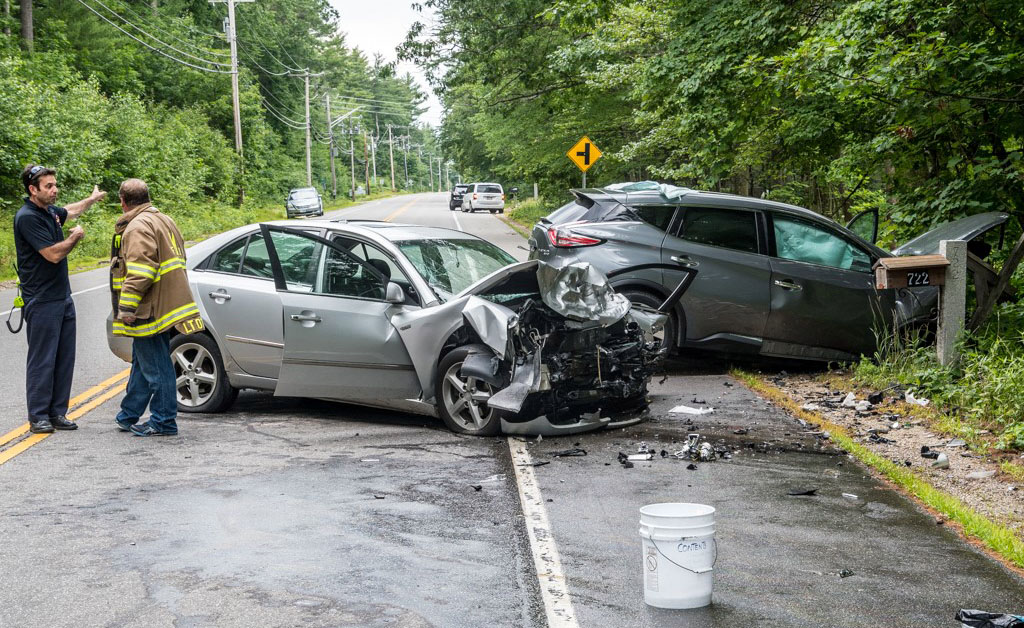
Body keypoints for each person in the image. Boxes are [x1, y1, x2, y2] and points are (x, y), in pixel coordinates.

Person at [14, 164, 106, 434]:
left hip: (63, 297)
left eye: (55, 185)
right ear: (33, 190)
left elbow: (72, 210)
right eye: (48, 187)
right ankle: (39, 416)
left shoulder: (49, 212)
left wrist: (91, 199)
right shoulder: (28, 217)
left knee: (64, 358)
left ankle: (57, 413)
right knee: (43, 359)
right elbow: (53, 254)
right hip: (42, 300)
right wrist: (75, 237)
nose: (54, 190)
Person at [110, 179, 203, 436]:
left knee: (157, 367)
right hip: (164, 304)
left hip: (148, 308)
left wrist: (127, 308)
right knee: (143, 362)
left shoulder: (137, 226)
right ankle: (128, 415)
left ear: (123, 201)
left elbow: (141, 271)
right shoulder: (163, 219)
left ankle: (163, 421)